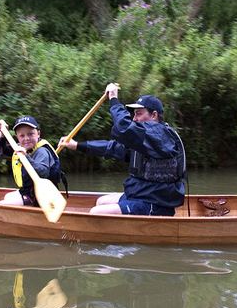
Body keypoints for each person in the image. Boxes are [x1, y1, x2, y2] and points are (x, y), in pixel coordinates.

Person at [58, 83, 186, 216]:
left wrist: (114, 99)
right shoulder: (145, 139)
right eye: (134, 114)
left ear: (154, 115)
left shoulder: (160, 135)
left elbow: (124, 127)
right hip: (142, 195)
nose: (134, 119)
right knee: (101, 201)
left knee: (96, 212)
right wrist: (78, 145)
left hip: (156, 203)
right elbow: (113, 148)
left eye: (139, 114)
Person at [0, 115, 65, 206]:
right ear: (17, 137)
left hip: (40, 198)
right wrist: (1, 135)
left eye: (30, 134)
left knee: (0, 205)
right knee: (8, 196)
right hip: (28, 192)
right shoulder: (21, 147)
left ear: (38, 133)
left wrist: (26, 157)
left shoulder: (42, 151)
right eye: (22, 135)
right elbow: (0, 153)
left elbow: (43, 172)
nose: (26, 138)